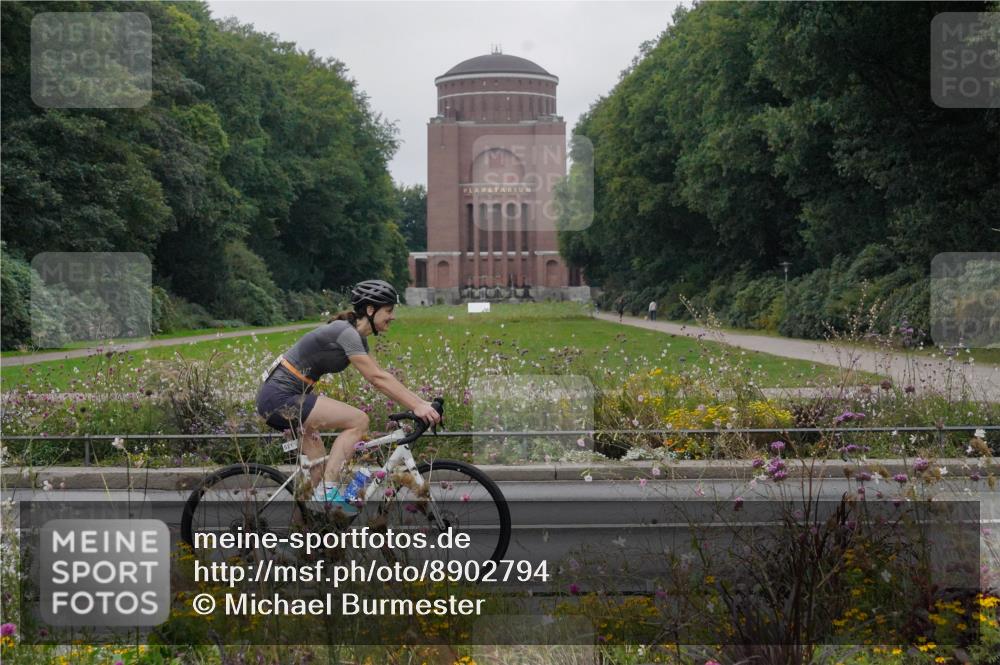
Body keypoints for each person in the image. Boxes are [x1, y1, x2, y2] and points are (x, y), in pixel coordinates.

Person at [255, 279, 441, 513]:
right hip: (279, 398)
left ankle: (308, 533)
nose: (392, 316)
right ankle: (328, 492)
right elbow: (377, 378)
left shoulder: (356, 337)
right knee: (359, 420)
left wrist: (422, 403)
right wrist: (418, 407)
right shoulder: (346, 333)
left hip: (284, 398)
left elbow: (381, 376)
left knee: (319, 471)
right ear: (371, 310)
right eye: (389, 310)